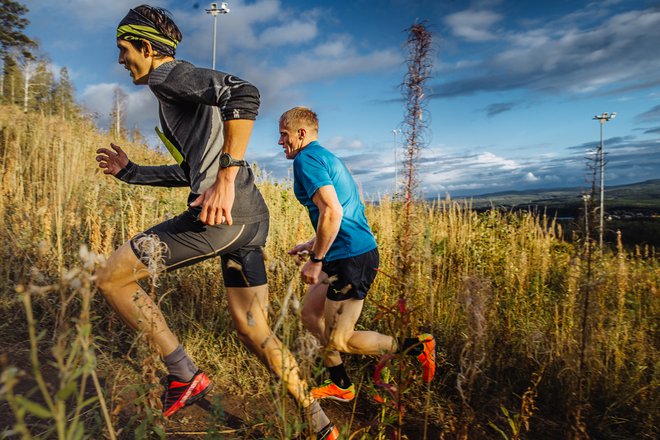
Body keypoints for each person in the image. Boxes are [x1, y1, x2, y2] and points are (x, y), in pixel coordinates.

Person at [95, 6, 338, 439]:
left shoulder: (167, 76)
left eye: (124, 49)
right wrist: (131, 172)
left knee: (113, 278)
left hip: (222, 217)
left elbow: (244, 93)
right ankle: (320, 423)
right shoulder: (173, 91)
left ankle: (183, 374)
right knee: (253, 329)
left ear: (148, 48)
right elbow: (192, 171)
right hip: (247, 220)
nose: (119, 60)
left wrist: (226, 177)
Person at [278, 107, 436, 402]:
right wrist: (313, 244)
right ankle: (340, 384)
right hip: (345, 253)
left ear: (301, 133)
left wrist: (315, 261)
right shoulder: (323, 156)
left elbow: (333, 212)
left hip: (351, 257)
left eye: (283, 135)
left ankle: (416, 348)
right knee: (311, 315)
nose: (279, 142)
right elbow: (342, 213)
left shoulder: (305, 159)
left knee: (340, 338)